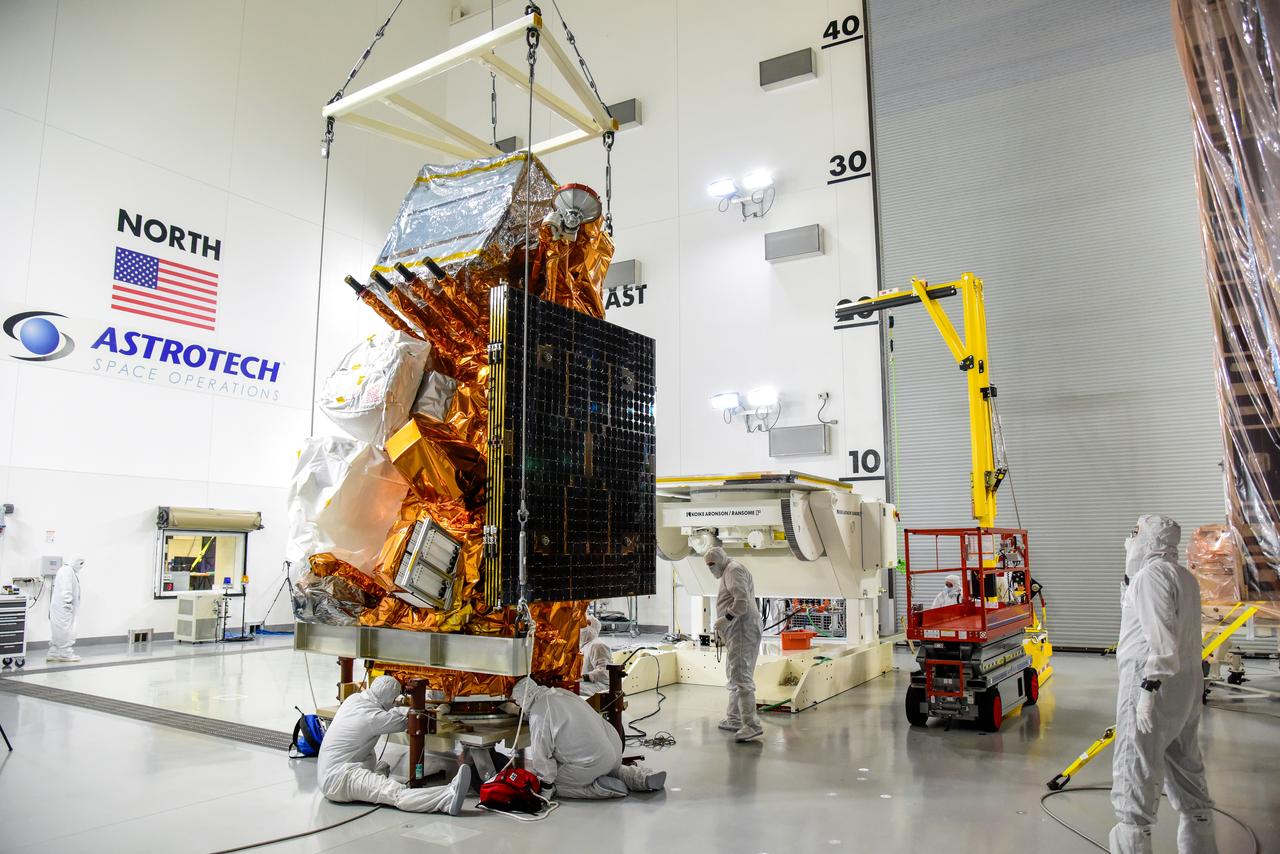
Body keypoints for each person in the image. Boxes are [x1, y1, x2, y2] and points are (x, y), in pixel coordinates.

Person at [1109, 515, 1217, 854]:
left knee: (1135, 771)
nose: (1130, 539)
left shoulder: (1152, 575)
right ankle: (1201, 844)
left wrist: (1147, 691)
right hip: (1185, 688)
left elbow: (1163, 644)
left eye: (1136, 532)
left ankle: (1133, 842)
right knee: (1186, 766)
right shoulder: (1185, 576)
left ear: (1151, 540)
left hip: (1149, 685)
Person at [317, 675, 471, 815]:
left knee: (382, 767)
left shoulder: (355, 699)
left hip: (336, 769)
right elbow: (413, 720)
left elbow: (395, 711)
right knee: (395, 793)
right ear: (387, 700)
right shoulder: (372, 718)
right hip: (339, 778)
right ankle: (446, 799)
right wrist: (440, 710)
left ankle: (369, 788)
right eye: (394, 699)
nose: (395, 703)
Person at [511, 677, 666, 799]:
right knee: (611, 767)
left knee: (555, 782)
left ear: (522, 700)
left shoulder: (539, 713)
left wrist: (545, 789)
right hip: (614, 750)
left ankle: (600, 789)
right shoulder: (560, 693)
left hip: (591, 763)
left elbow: (541, 755)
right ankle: (641, 777)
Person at [705, 546, 763, 742]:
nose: (710, 568)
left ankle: (751, 725)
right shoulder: (728, 571)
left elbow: (742, 602)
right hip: (737, 629)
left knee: (741, 675)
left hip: (741, 628)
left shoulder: (733, 570)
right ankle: (734, 718)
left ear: (721, 560)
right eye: (708, 565)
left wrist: (726, 619)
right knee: (734, 673)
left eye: (712, 564)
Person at [47, 556, 85, 662]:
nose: (81, 566)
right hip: (64, 607)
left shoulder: (67, 571)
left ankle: (53, 653)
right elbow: (66, 588)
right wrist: (68, 602)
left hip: (61, 606)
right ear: (74, 561)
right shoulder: (67, 571)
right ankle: (65, 654)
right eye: (81, 563)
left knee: (58, 630)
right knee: (65, 630)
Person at [579, 616, 613, 696]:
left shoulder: (598, 645)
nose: (580, 628)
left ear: (593, 628)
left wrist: (583, 677)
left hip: (600, 686)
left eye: (584, 625)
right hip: (587, 683)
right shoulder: (583, 646)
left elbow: (604, 672)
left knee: (570, 692)